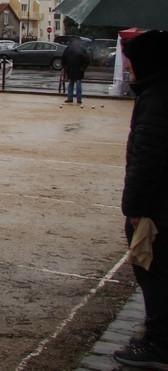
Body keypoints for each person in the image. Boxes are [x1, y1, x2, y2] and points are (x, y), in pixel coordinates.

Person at [112, 31, 168, 369]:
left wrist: (133, 209)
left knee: (153, 268)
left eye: (131, 61)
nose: (128, 67)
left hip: (157, 205)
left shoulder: (156, 98)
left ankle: (159, 344)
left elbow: (146, 157)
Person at [62, 39, 90, 104]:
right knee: (71, 85)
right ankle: (71, 98)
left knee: (77, 85)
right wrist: (65, 67)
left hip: (77, 70)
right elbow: (63, 59)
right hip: (72, 70)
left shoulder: (79, 49)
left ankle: (77, 99)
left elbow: (87, 60)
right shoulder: (68, 49)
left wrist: (82, 68)